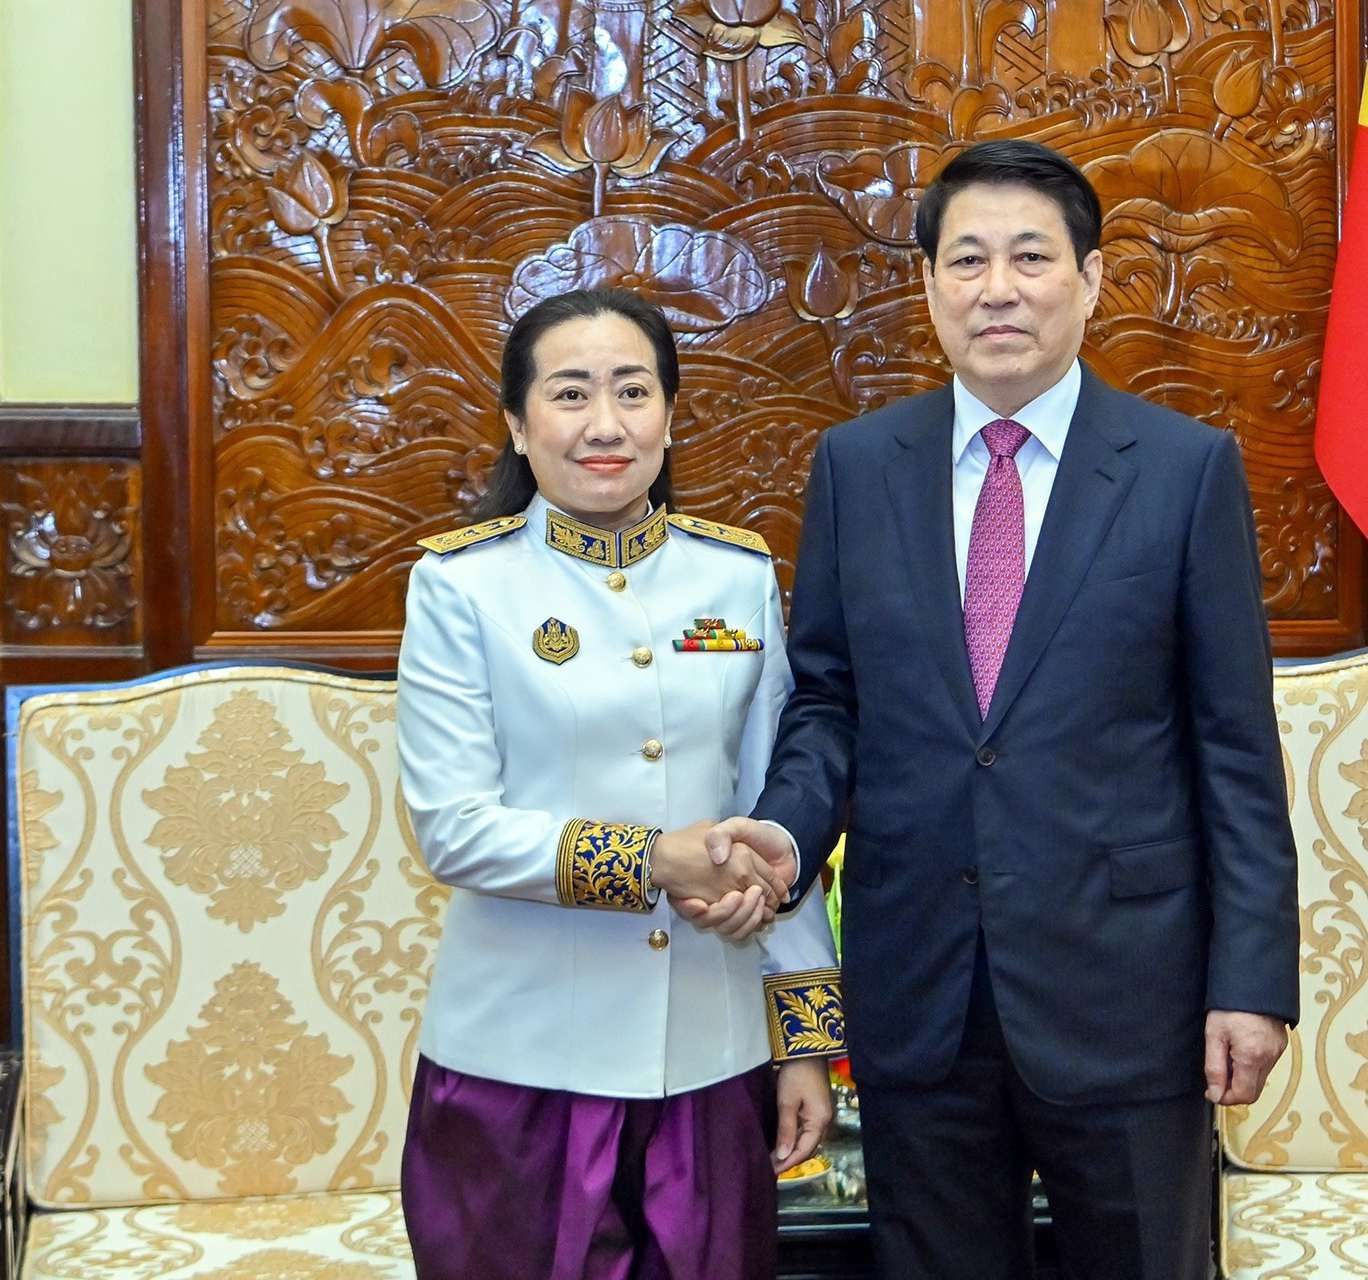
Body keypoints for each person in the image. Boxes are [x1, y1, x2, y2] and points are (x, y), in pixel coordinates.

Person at [693, 140, 1300, 1278]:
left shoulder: (1183, 469)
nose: (998, 287)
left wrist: (1252, 982)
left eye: (1031, 255)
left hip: (1129, 987)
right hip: (922, 985)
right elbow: (827, 702)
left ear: (1092, 277)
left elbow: (1234, 748)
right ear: (927, 283)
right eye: (966, 258)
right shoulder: (857, 465)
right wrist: (783, 832)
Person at [395, 287, 843, 1280]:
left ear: (671, 413)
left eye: (633, 390)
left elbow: (781, 819)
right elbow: (453, 826)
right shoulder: (463, 586)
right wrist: (653, 857)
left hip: (712, 1057)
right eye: (569, 393)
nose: (605, 423)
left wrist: (804, 1038)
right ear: (517, 421)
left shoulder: (733, 578)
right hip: (520, 1067)